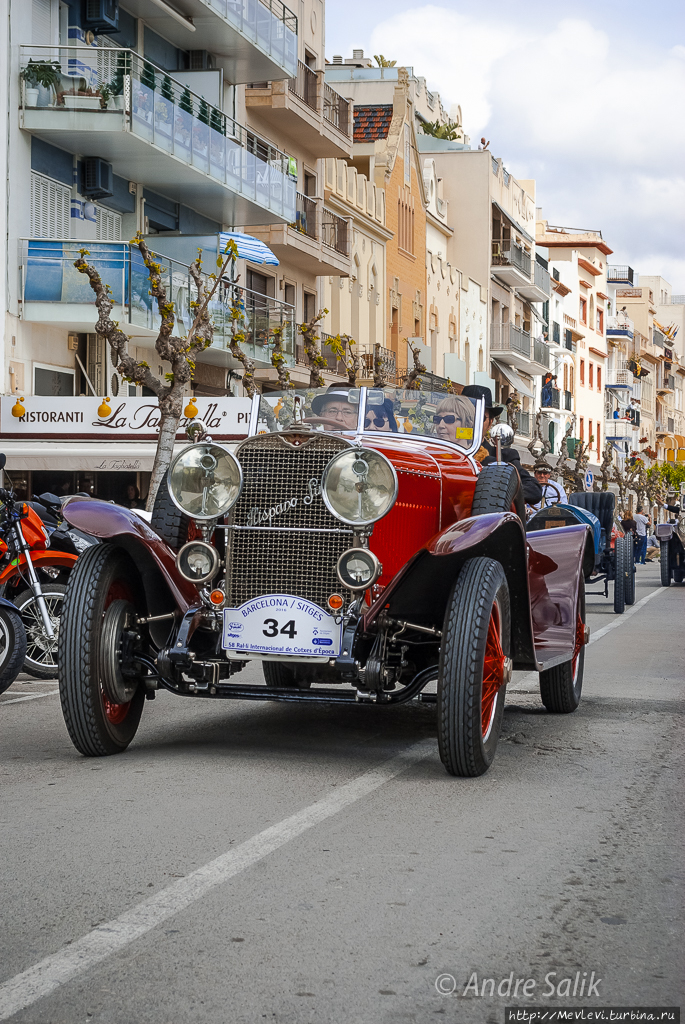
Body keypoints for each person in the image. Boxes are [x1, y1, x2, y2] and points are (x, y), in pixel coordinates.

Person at [460, 384, 542, 506]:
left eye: (479, 417)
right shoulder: (439, 452)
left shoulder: (504, 457)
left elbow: (534, 490)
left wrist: (497, 491)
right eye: (465, 416)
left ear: (490, 423)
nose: (471, 422)